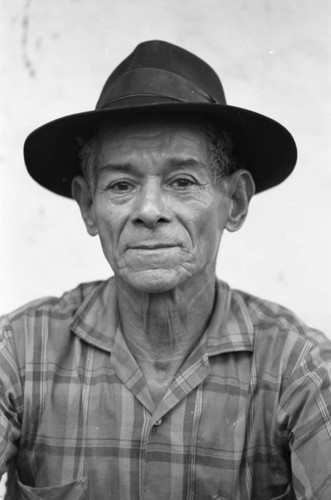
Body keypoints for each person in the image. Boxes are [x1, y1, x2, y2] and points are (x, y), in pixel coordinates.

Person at [0, 40, 330, 500]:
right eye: (121, 185)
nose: (149, 210)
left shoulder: (299, 368)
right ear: (88, 207)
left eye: (181, 182)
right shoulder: (18, 352)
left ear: (234, 202)